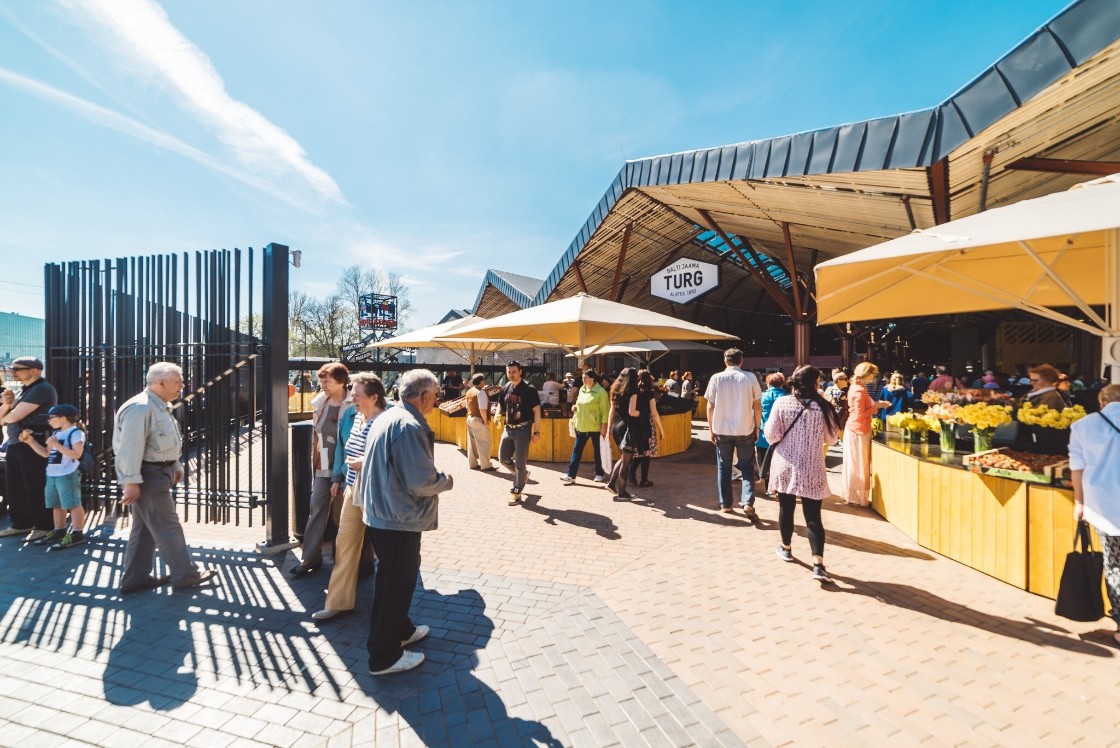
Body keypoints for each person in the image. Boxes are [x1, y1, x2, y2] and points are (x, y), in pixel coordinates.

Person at [358, 369, 453, 675]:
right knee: (394, 585)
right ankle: (384, 656)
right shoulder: (409, 425)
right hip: (396, 517)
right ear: (424, 395)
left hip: (382, 514)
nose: (436, 400)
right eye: (435, 395)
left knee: (394, 580)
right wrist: (445, 481)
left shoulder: (388, 417)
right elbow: (420, 481)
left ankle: (401, 629)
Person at [113, 362, 216, 593]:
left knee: (144, 529)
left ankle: (135, 578)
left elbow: (166, 442)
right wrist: (129, 482)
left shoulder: (159, 406)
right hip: (148, 476)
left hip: (155, 473)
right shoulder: (141, 407)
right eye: (178, 381)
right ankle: (186, 574)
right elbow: (129, 448)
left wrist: (175, 464)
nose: (182, 385)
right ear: (160, 383)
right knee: (168, 527)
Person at [312, 373, 388, 622]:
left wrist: (363, 463)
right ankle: (338, 602)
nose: (352, 398)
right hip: (353, 490)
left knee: (387, 554)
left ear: (374, 397)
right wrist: (339, 478)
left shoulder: (386, 422)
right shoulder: (355, 418)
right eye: (352, 393)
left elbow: (390, 457)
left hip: (376, 493)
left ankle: (391, 612)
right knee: (344, 546)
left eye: (357, 394)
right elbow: (343, 449)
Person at [765, 365, 843, 582]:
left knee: (786, 508)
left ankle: (786, 548)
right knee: (813, 517)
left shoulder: (782, 403)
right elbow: (832, 439)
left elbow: (771, 434)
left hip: (785, 465)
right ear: (815, 383)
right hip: (812, 467)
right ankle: (818, 564)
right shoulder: (824, 407)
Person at [1069, 384, 1120, 645]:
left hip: (1104, 508)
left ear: (1101, 401)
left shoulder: (1083, 426)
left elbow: (1076, 468)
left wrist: (1080, 502)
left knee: (1115, 566)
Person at [292, 362, 352, 577]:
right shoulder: (321, 403)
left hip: (346, 470)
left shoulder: (353, 405)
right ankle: (309, 557)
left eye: (327, 380)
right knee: (316, 508)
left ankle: (343, 561)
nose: (322, 384)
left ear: (341, 381)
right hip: (322, 468)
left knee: (341, 516)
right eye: (321, 379)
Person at [0, 356, 58, 541]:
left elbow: (14, 416)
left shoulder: (42, 389)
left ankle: (44, 525)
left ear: (34, 370)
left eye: (17, 368)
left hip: (34, 441)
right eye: (11, 368)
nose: (12, 371)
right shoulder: (23, 391)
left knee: (35, 484)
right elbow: (3, 418)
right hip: (18, 442)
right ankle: (22, 523)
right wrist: (7, 404)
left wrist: (10, 412)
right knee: (15, 485)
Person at [18, 403, 88, 549]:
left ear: (63, 418)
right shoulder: (56, 434)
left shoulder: (75, 433)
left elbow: (77, 454)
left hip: (67, 473)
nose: (49, 420)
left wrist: (57, 445)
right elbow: (46, 453)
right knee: (57, 504)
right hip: (52, 473)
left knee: (73, 504)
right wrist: (31, 442)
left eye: (52, 417)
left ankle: (77, 533)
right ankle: (59, 530)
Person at [705, 348, 762, 519]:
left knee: (724, 466)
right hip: (745, 429)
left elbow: (710, 406)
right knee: (747, 466)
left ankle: (726, 504)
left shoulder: (716, 378)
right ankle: (747, 501)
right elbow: (757, 406)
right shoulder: (750, 378)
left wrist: (711, 428)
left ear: (725, 361)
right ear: (741, 361)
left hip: (721, 429)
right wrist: (757, 427)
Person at [840, 362, 890, 507]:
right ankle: (857, 496)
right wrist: (876, 407)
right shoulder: (860, 390)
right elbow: (860, 414)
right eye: (873, 374)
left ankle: (853, 495)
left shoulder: (856, 387)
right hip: (859, 429)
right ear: (866, 374)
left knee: (854, 463)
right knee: (859, 463)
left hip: (856, 428)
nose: (874, 376)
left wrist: (876, 405)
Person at [497, 360, 541, 506]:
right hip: (508, 428)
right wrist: (497, 414)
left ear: (520, 371)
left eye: (514, 371)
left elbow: (537, 411)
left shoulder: (529, 389)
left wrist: (536, 432)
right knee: (503, 459)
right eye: (509, 372)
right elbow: (500, 404)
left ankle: (516, 491)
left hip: (523, 429)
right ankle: (522, 476)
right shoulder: (506, 387)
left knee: (520, 463)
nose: (511, 374)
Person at [562, 369, 609, 485]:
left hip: (595, 427)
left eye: (585, 378)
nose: (583, 379)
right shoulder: (582, 390)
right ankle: (571, 475)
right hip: (581, 426)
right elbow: (579, 404)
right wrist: (575, 407)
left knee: (597, 451)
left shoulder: (601, 392)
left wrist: (604, 426)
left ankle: (599, 473)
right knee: (576, 451)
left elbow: (605, 411)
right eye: (583, 378)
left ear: (592, 378)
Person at [606, 368, 640, 499]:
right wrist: (641, 413)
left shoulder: (615, 390)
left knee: (623, 458)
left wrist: (609, 428)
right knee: (626, 462)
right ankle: (622, 493)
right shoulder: (632, 390)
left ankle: (611, 483)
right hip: (627, 428)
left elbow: (611, 411)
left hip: (616, 427)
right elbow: (632, 412)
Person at [628, 370, 665, 487]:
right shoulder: (649, 393)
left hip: (635, 424)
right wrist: (661, 429)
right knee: (646, 452)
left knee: (640, 451)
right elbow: (654, 413)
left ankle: (631, 472)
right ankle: (644, 479)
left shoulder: (634, 391)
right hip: (646, 424)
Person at [755, 371, 789, 493]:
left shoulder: (762, 396)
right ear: (782, 384)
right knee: (781, 463)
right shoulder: (787, 397)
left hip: (764, 436)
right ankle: (781, 488)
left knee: (765, 462)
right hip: (783, 437)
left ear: (768, 383)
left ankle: (769, 489)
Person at [464, 374, 496, 472]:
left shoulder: (469, 392)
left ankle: (473, 464)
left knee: (472, 443)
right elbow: (482, 409)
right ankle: (486, 465)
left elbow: (466, 407)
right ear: (481, 381)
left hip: (470, 418)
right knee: (484, 443)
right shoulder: (481, 392)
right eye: (484, 381)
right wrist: (485, 421)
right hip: (479, 419)